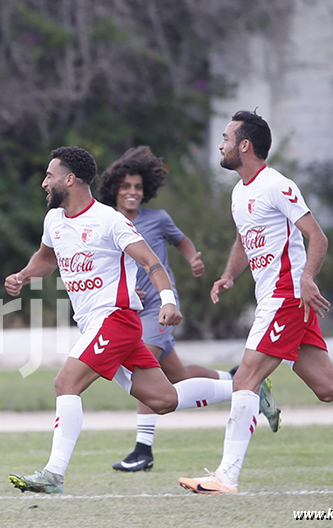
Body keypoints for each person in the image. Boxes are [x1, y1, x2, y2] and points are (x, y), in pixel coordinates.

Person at [178, 111, 333, 495]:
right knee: (329, 386)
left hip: (285, 298)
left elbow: (316, 236)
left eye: (225, 138)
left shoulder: (277, 185)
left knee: (246, 378)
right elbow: (244, 239)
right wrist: (229, 275)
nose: (219, 144)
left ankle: (226, 476)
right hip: (278, 300)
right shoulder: (240, 191)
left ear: (244, 145)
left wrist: (306, 279)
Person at [6, 147, 235, 494]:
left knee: (65, 383)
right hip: (99, 326)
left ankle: (53, 475)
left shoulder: (109, 221)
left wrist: (168, 300)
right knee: (165, 400)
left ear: (70, 179)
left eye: (49, 176)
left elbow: (151, 263)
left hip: (114, 319)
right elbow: (46, 259)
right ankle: (245, 388)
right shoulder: (54, 220)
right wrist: (23, 275)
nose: (43, 183)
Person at [96, 147, 280, 473]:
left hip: (160, 306)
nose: (132, 192)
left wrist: (192, 257)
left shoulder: (158, 219)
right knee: (176, 376)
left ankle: (143, 449)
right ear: (114, 189)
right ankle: (240, 379)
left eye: (138, 187)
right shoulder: (105, 221)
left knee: (144, 366)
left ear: (146, 190)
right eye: (126, 187)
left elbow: (180, 241)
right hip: (127, 308)